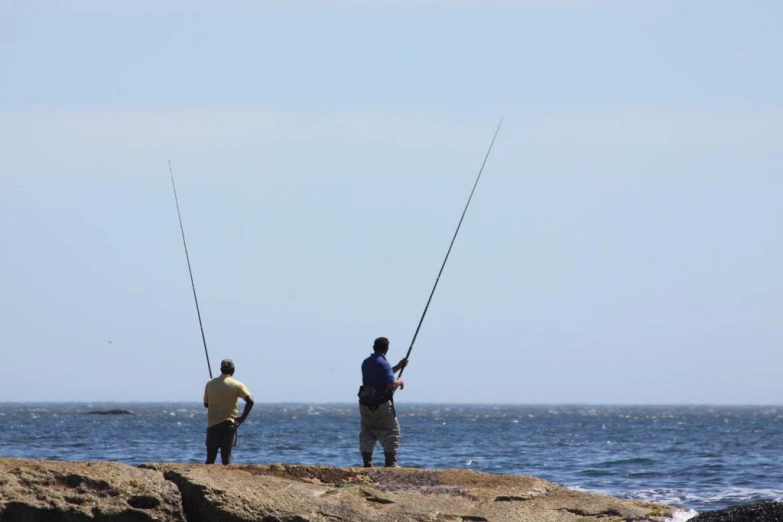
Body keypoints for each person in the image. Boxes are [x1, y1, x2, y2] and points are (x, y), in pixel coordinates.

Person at [358, 337, 408, 467]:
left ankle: (367, 464)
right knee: (391, 431)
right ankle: (391, 463)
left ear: (373, 347)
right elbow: (391, 383)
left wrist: (398, 366)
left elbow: (381, 375)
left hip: (365, 404)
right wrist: (400, 382)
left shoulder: (366, 362)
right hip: (382, 406)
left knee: (367, 431)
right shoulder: (383, 363)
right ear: (387, 349)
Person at [203, 358, 254, 465]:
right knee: (226, 459)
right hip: (229, 424)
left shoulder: (210, 383)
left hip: (213, 424)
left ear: (221, 369)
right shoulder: (237, 385)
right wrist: (242, 418)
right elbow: (250, 401)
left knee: (210, 459)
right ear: (233, 370)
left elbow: (206, 404)